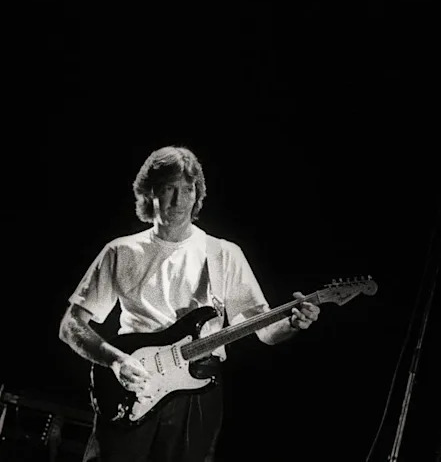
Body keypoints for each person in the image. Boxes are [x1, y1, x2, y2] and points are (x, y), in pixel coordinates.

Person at [58, 145, 320, 462]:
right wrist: (115, 361)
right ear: (148, 193)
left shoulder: (224, 254)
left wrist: (291, 323)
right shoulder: (121, 252)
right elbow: (71, 325)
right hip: (133, 383)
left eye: (188, 189)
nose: (180, 200)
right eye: (169, 189)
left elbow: (264, 329)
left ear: (198, 194)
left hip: (198, 387)